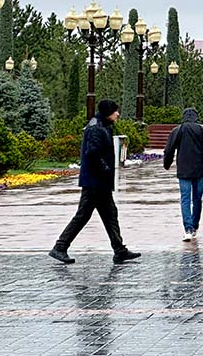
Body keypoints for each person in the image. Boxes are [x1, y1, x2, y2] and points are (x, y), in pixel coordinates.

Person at [49, 99, 141, 264]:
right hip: (94, 182)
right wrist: (104, 168)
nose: (117, 114)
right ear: (107, 112)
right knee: (83, 215)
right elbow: (92, 153)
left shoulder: (102, 126)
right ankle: (60, 247)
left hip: (100, 182)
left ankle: (119, 250)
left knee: (110, 214)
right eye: (115, 111)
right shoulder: (96, 129)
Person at [163, 107, 203, 241]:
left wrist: (167, 164)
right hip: (200, 169)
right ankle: (194, 226)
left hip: (183, 170)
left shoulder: (177, 130)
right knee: (197, 198)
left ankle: (188, 229)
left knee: (185, 199)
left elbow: (169, 149)